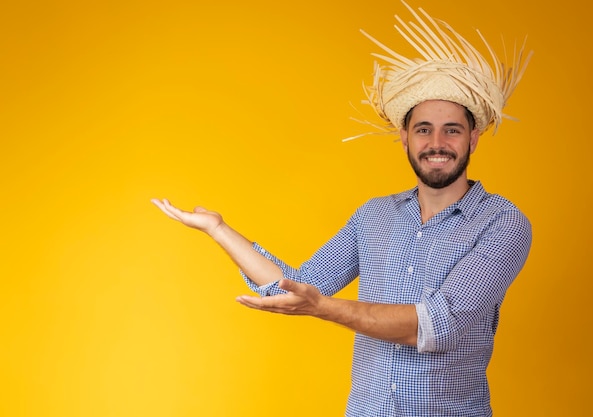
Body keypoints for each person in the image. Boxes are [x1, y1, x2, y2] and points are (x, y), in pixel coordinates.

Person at [152, 3, 532, 416]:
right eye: (423, 129)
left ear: (473, 139)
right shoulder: (373, 216)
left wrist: (321, 307)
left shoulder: (503, 223)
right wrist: (218, 229)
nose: (436, 143)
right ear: (404, 138)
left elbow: (436, 326)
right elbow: (297, 285)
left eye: (452, 130)